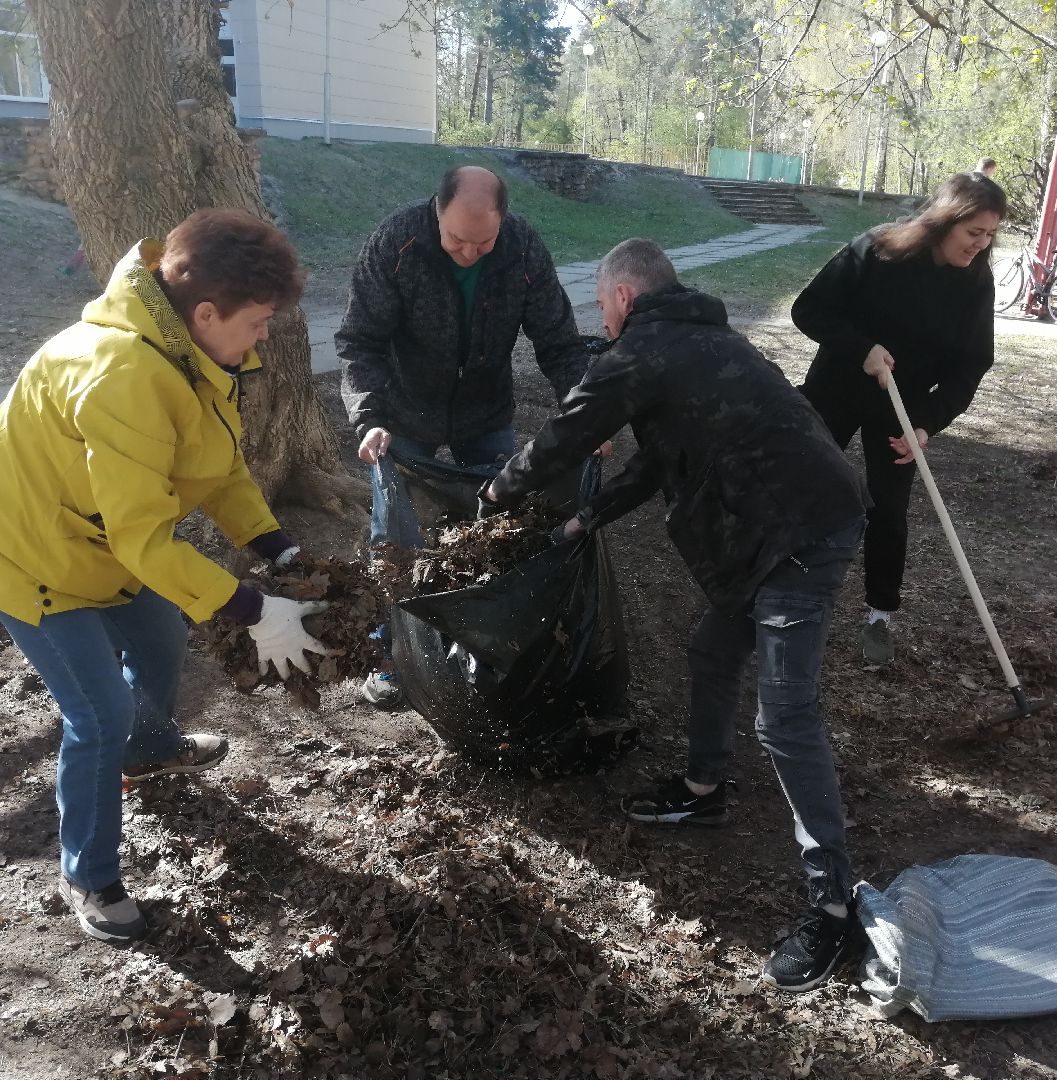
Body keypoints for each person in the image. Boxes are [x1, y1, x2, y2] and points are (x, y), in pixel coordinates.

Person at [0, 210, 330, 945]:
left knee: (160, 638)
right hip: (19, 548)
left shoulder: (191, 356)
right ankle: (87, 875)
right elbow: (145, 541)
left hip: (93, 536)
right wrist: (252, 608)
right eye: (260, 320)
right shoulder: (123, 374)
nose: (266, 334)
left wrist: (277, 549)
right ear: (206, 312)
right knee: (99, 712)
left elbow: (217, 464)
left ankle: (149, 751)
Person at [479, 239, 869, 993]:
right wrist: (580, 522)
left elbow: (565, 432)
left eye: (601, 301)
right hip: (767, 531)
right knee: (712, 651)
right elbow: (655, 464)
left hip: (799, 532)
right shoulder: (701, 341)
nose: (602, 314)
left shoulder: (647, 349)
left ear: (624, 296)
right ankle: (703, 791)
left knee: (785, 717)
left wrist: (498, 494)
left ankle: (832, 908)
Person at [338, 164, 591, 708]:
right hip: (403, 416)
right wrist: (369, 416)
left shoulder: (522, 249)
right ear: (437, 210)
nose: (471, 252)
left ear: (504, 221)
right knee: (395, 537)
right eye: (457, 239)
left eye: (485, 241)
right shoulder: (396, 242)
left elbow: (560, 343)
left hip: (485, 413)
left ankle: (487, 645)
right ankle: (391, 654)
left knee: (503, 529)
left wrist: (586, 415)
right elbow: (360, 342)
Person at [791, 172, 1006, 665]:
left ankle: (879, 616)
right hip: (836, 389)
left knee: (888, 510)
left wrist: (929, 421)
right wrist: (861, 348)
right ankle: (782, 589)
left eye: (991, 234)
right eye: (974, 232)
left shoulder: (975, 282)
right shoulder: (877, 250)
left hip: (904, 406)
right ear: (944, 222)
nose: (982, 244)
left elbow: (973, 362)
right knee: (807, 487)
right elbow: (809, 310)